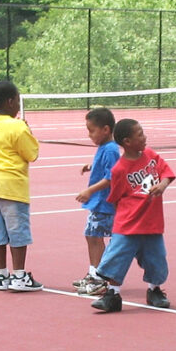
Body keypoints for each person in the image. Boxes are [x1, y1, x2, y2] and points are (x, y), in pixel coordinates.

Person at [90, 119, 176, 313]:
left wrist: (162, 185)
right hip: (128, 224)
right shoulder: (119, 169)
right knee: (116, 257)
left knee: (157, 259)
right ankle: (112, 294)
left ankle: (154, 291)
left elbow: (167, 174)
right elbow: (116, 197)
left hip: (151, 223)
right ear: (127, 142)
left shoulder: (151, 155)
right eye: (140, 135)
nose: (144, 137)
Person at [0, 80, 43, 292]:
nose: (18, 104)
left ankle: (1, 275)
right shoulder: (17, 126)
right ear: (9, 102)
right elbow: (32, 154)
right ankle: (19, 275)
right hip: (11, 186)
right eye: (17, 99)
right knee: (17, 232)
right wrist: (28, 130)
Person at [74, 107, 120, 295]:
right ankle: (94, 273)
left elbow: (112, 176)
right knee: (91, 235)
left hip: (104, 203)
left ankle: (99, 277)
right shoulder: (104, 148)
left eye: (92, 130)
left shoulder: (110, 149)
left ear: (106, 130)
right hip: (99, 203)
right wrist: (91, 167)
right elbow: (106, 167)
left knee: (96, 236)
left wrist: (89, 190)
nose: (89, 135)